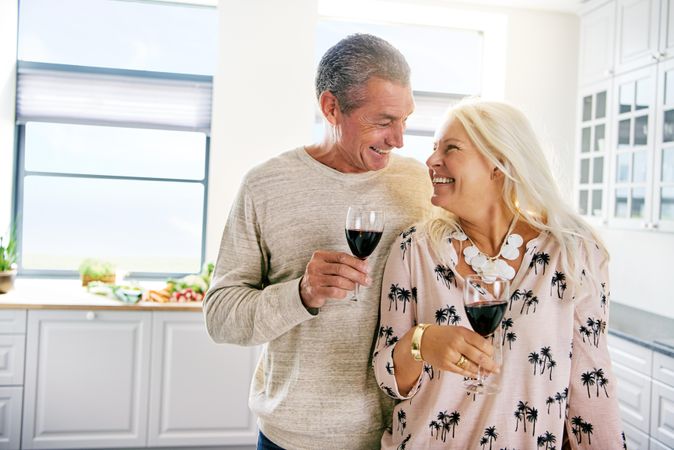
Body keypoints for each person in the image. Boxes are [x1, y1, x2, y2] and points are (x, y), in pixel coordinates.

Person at [203, 34, 433, 450]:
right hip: (293, 438)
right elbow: (221, 317)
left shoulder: (421, 184)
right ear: (331, 108)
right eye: (383, 121)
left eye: (405, 119)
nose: (399, 139)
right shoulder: (266, 185)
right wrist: (302, 294)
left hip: (401, 435)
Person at [373, 98, 624, 449]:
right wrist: (421, 342)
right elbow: (388, 379)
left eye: (451, 148)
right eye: (433, 148)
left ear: (498, 165)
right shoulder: (415, 249)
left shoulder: (572, 253)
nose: (431, 161)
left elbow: (591, 385)